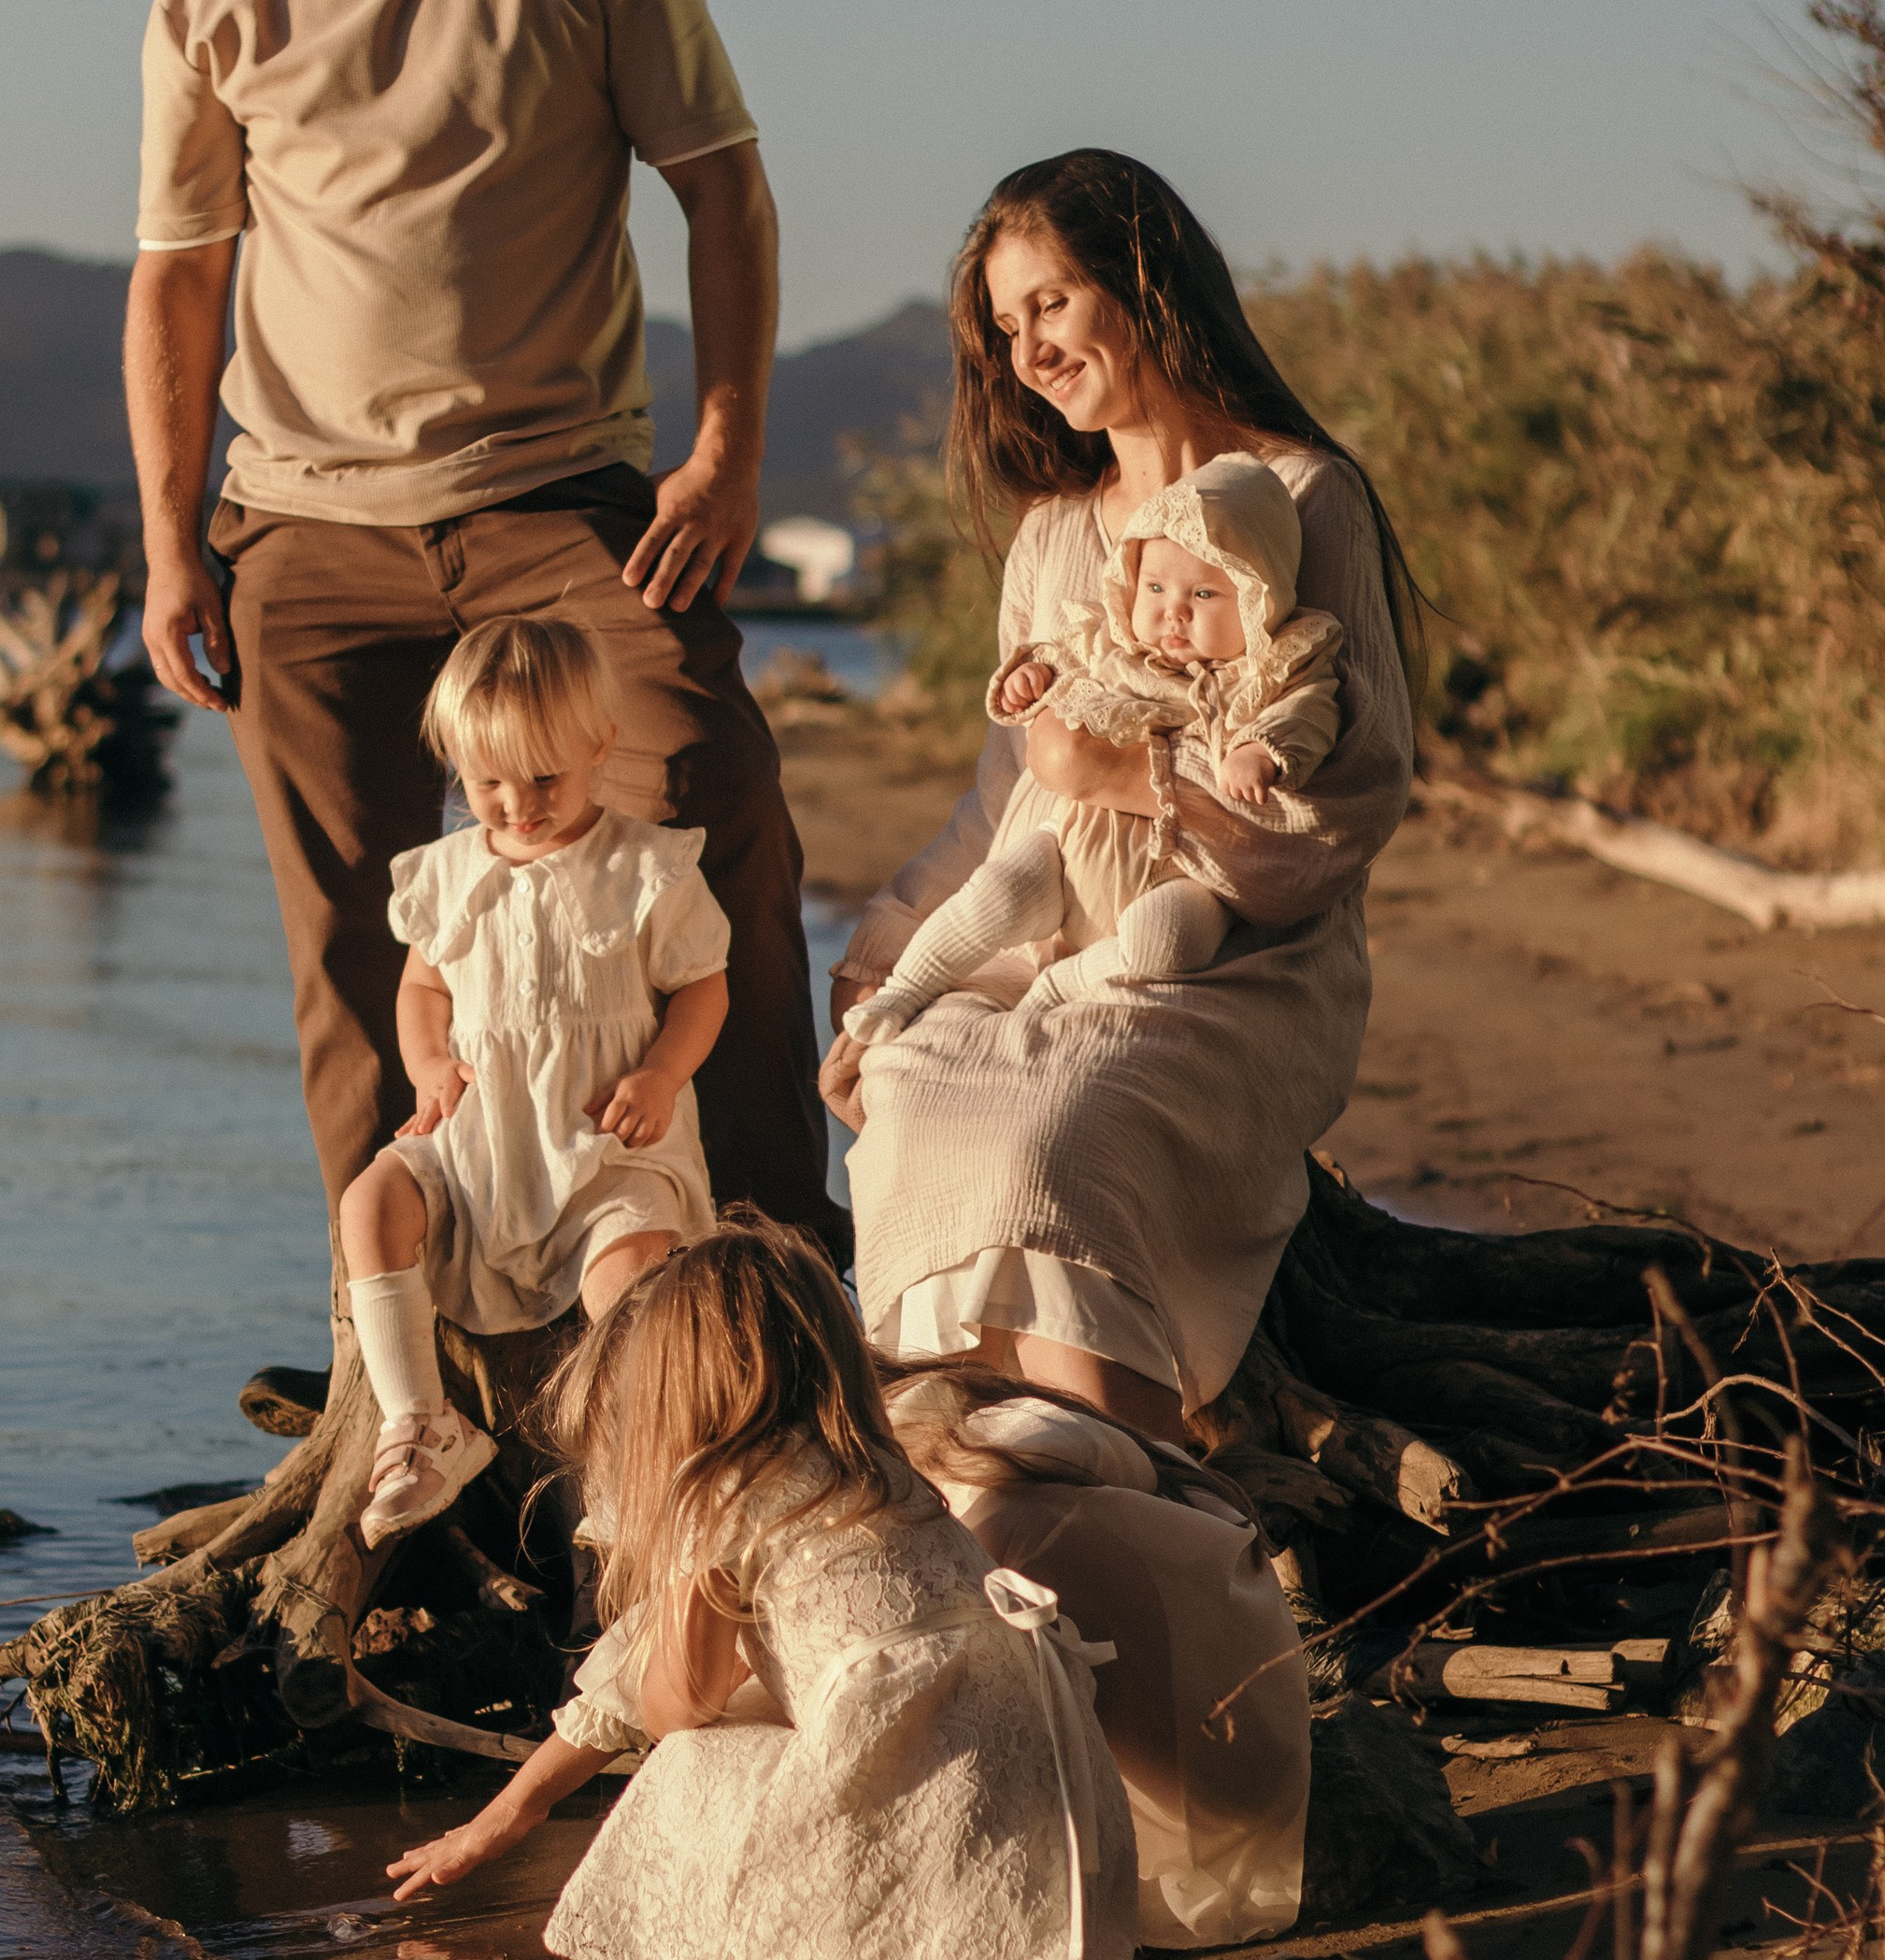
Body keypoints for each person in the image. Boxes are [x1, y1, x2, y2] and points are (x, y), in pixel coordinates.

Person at [122, 0, 843, 1260]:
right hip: (302, 526)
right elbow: (176, 293)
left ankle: (771, 1265)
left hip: (559, 498)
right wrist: (171, 543)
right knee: (354, 942)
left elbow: (724, 194)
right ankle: (413, 1344)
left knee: (709, 788)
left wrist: (727, 444)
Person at [823, 150, 1420, 1445]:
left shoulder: (1309, 498)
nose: (1027, 350)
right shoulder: (1054, 537)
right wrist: (882, 941)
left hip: (1235, 951)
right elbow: (1000, 807)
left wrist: (1141, 780)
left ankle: (1134, 1487)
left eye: (1049, 303)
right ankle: (979, 1465)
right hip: (1053, 926)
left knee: (1057, 1134)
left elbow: (1362, 794)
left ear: (1142, 280)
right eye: (1003, 327)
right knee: (912, 1079)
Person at [384, 1216, 1139, 1960]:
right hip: (1065, 1851)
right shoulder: (876, 1472)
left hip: (932, 1829)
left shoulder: (718, 1488)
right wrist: (515, 1807)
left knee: (686, 1757)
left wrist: (682, 1683)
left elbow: (676, 1704)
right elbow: (634, 1674)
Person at [337, 616, 728, 1544]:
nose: (516, 805)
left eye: (544, 779)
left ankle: (636, 1469)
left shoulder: (644, 868)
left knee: (628, 1282)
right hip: (477, 1139)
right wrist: (427, 1064)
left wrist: (663, 1074)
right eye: (487, 783)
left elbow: (702, 990)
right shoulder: (444, 876)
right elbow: (422, 987)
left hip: (606, 1149)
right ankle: (423, 1428)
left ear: (600, 745)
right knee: (369, 1207)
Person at [843, 450, 1342, 1044]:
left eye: (1206, 595)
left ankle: (1064, 984)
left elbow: (1310, 713)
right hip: (1072, 851)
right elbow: (1056, 664)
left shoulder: (1273, 669)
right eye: (1154, 587)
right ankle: (909, 988)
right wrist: (1029, 679)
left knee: (1169, 941)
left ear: (1261, 597)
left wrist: (1261, 749)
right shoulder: (1112, 645)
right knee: (998, 892)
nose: (1173, 612)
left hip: (1180, 874)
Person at [886, 1361, 1310, 1949]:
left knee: (990, 1559)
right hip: (1232, 1720)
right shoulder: (964, 1422)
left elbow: (1068, 1458)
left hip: (1213, 1753)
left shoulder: (957, 1440)